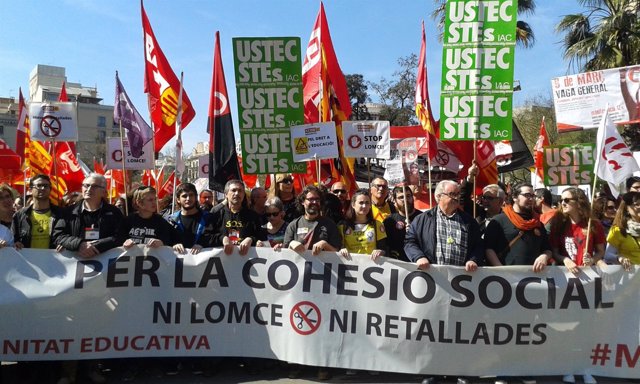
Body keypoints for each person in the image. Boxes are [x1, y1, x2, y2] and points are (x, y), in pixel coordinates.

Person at [403, 180, 482, 384]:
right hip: (433, 285)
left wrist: (474, 259)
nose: (456, 198)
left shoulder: (468, 221)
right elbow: (410, 242)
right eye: (452, 194)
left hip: (461, 286)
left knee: (459, 329)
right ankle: (434, 371)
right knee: (433, 329)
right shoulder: (422, 220)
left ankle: (459, 371)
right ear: (439, 197)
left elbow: (479, 246)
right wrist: (418, 257)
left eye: (457, 194)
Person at [547, 188, 604, 384]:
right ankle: (568, 366)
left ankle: (585, 367)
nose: (562, 203)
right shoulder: (559, 224)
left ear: (579, 202)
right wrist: (565, 260)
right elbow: (554, 251)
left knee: (586, 326)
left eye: (566, 200)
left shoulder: (593, 224)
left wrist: (592, 259)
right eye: (561, 200)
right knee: (567, 326)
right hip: (565, 282)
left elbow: (600, 252)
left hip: (587, 282)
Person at [52, 173, 124, 258]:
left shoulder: (114, 212)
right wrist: (79, 244)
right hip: (74, 265)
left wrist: (96, 246)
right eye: (86, 185)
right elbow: (58, 235)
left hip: (105, 264)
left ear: (104, 192)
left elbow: (120, 236)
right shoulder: (68, 212)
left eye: (94, 186)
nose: (89, 189)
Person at [283, 184, 341, 256]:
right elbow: (284, 254)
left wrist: (325, 244)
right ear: (302, 202)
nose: (314, 202)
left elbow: (338, 253)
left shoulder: (330, 224)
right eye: (310, 199)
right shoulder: (293, 225)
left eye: (317, 199)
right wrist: (291, 244)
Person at [121, 186, 182, 250]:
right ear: (139, 203)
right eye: (150, 200)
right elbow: (118, 240)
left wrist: (162, 243)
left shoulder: (161, 222)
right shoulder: (128, 221)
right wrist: (124, 242)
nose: (154, 202)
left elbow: (174, 239)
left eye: (155, 199)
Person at [210, 179, 261, 255]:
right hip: (221, 260)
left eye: (240, 191)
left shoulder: (252, 215)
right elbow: (206, 236)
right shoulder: (216, 213)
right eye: (233, 190)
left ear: (244, 194)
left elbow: (260, 236)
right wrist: (222, 238)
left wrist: (251, 239)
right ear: (226, 194)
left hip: (245, 260)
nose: (237, 193)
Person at [12, 175, 63, 250]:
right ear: (30, 189)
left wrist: (64, 243)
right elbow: (12, 240)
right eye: (39, 185)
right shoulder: (19, 215)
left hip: (55, 260)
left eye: (46, 186)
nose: (42, 188)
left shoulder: (61, 214)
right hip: (28, 260)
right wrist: (16, 243)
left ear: (50, 189)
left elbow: (67, 237)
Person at [337, 188, 387, 261]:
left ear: (370, 205)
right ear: (353, 205)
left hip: (371, 266)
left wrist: (380, 252)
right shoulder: (343, 226)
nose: (364, 206)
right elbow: (337, 247)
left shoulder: (377, 225)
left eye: (367, 203)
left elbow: (384, 249)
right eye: (361, 203)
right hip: (349, 266)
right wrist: (341, 250)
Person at [167, 183, 215, 254]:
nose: (188, 199)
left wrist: (202, 244)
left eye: (191, 195)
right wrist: (174, 244)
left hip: (205, 262)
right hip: (178, 263)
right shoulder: (171, 220)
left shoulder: (209, 218)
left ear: (196, 197)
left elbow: (216, 236)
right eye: (184, 196)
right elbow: (165, 239)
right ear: (178, 200)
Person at [383, 185, 420, 262]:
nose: (405, 199)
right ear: (395, 200)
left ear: (413, 197)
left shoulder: (423, 218)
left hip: (419, 263)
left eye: (408, 196)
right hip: (398, 265)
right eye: (401, 197)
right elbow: (385, 245)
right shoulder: (390, 221)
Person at [606, 191, 640, 268]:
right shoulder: (617, 230)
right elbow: (607, 256)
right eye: (637, 205)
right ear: (627, 208)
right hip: (630, 275)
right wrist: (620, 259)